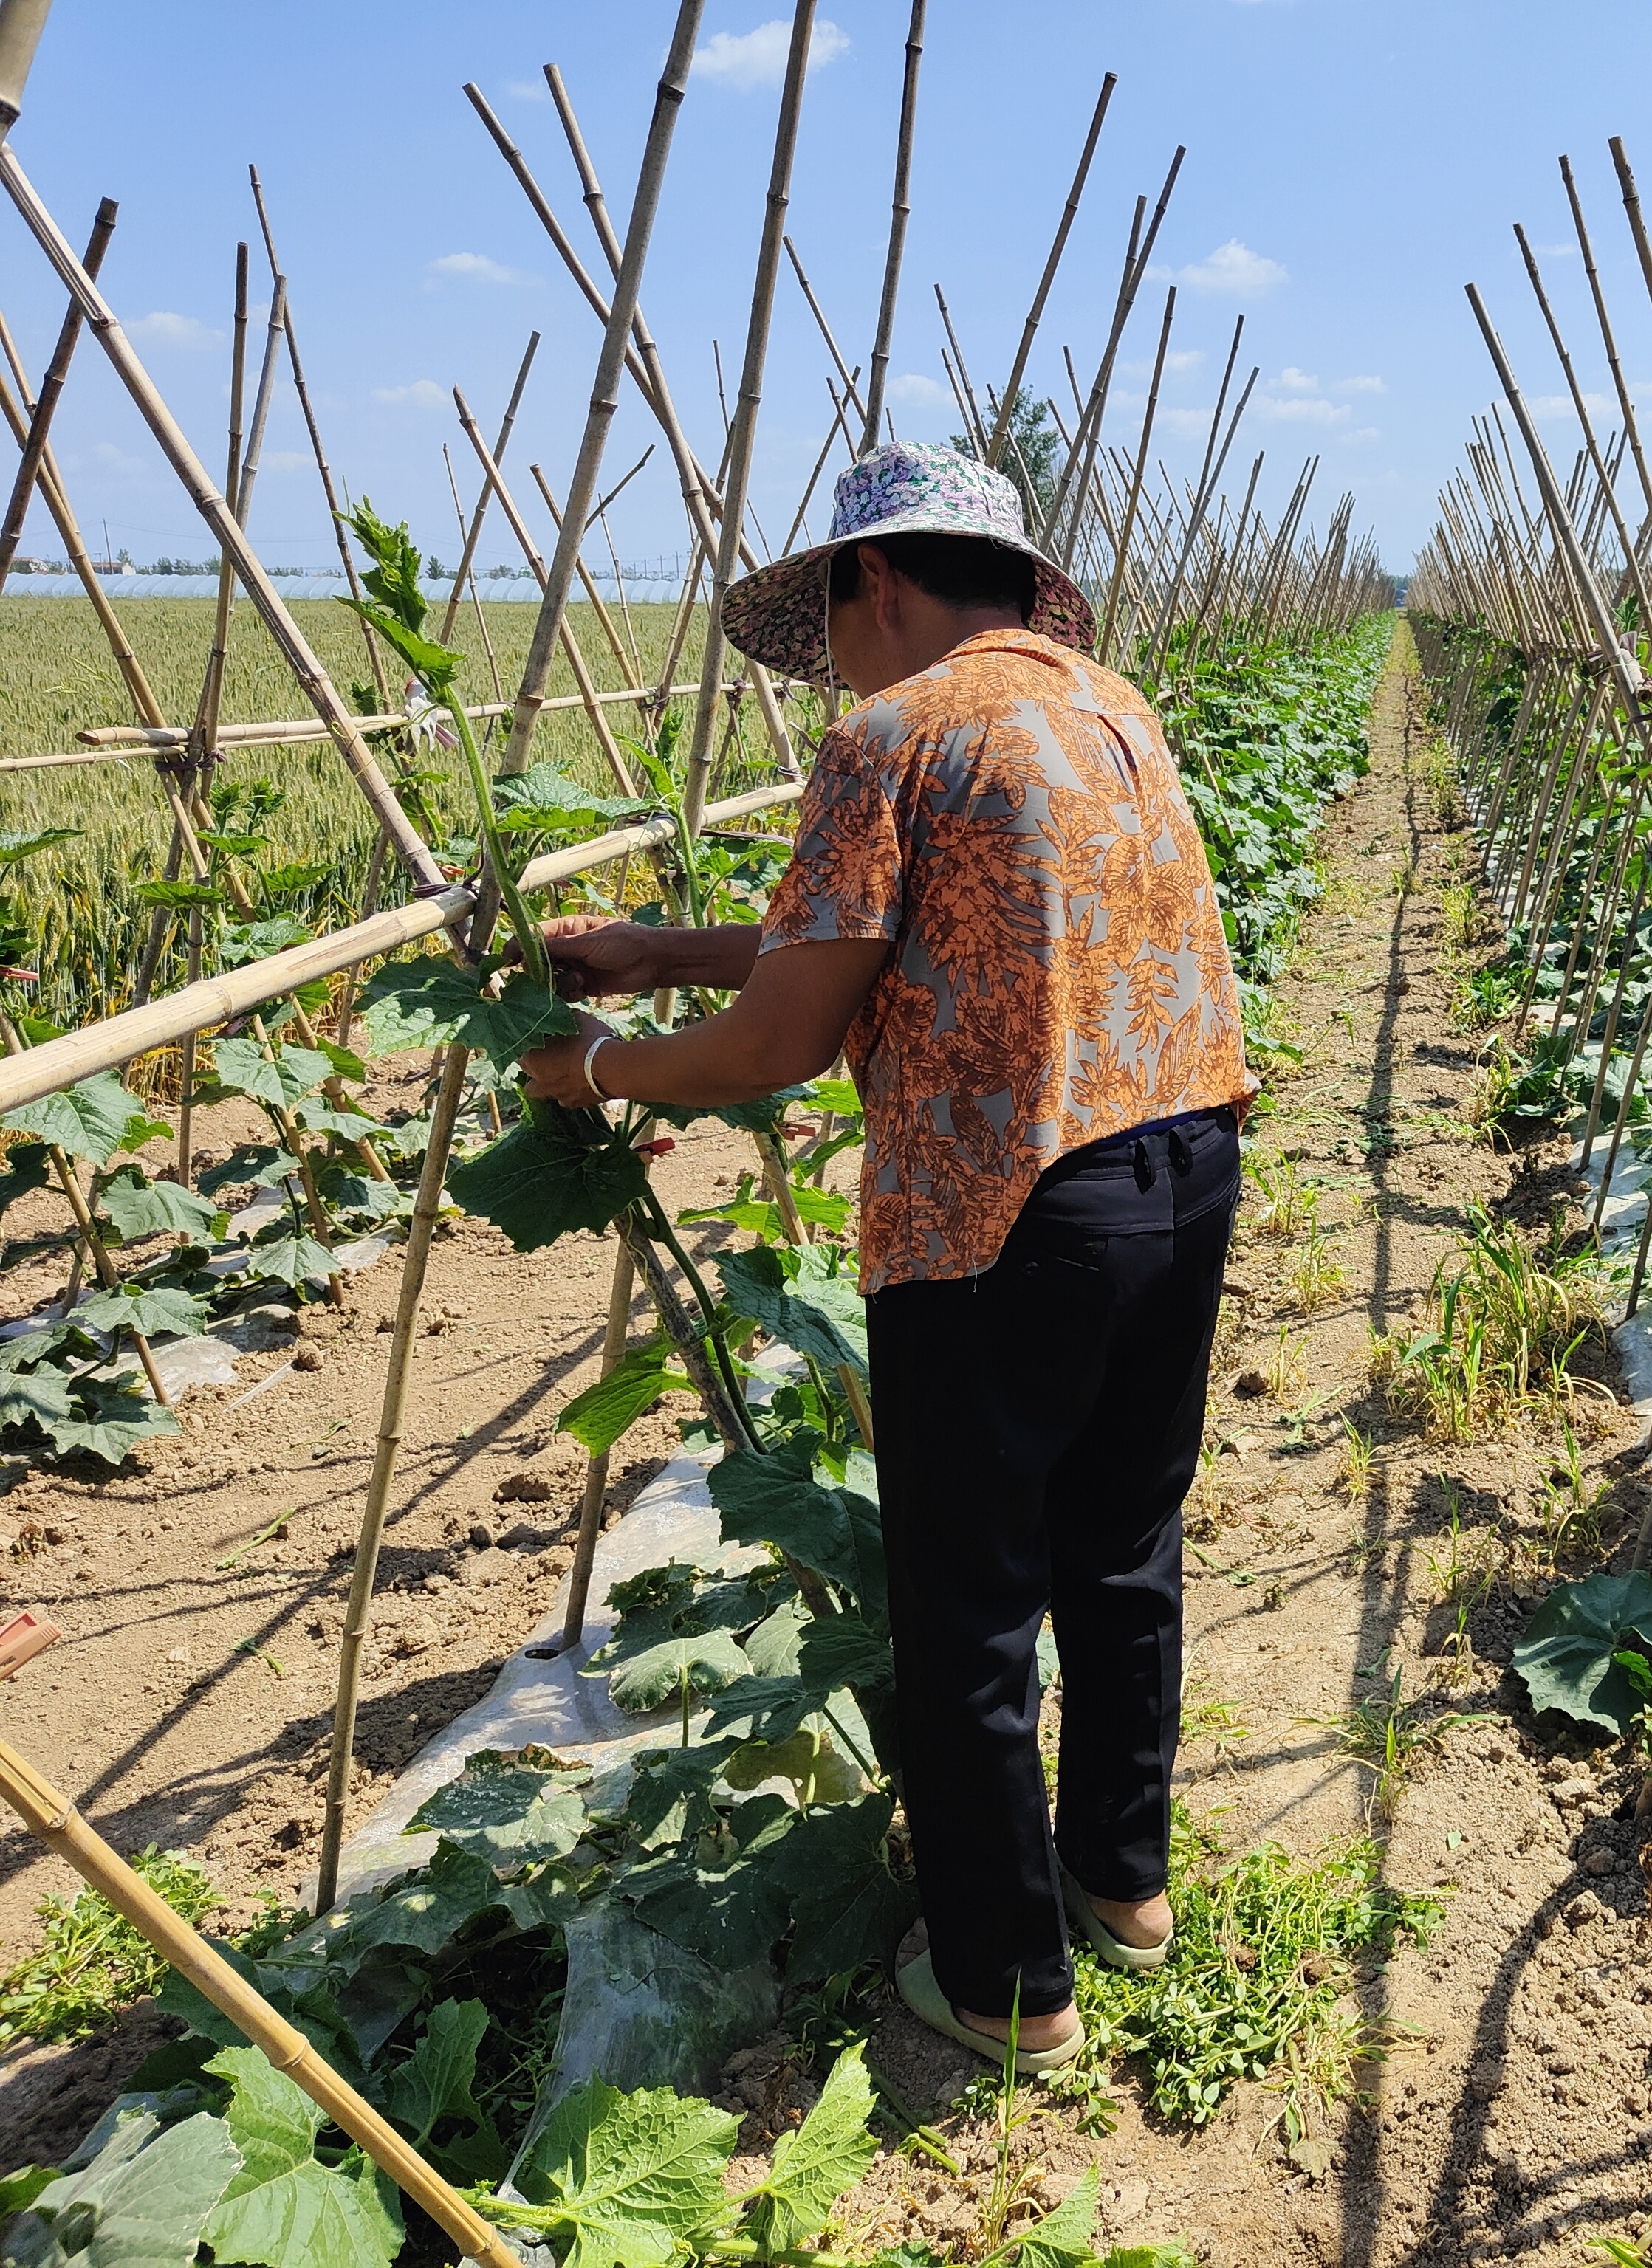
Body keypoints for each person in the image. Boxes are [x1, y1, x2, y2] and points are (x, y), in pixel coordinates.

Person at [517, 443, 1251, 2072]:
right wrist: (668, 949)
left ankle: (1004, 1987)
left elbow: (782, 1043)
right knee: (1120, 1546)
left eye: (831, 620)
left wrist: (597, 1068)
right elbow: (936, 925)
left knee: (968, 1600)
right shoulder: (1104, 707)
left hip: (1005, 1212)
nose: (830, 664)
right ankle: (1122, 1894)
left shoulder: (888, 734)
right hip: (1182, 1166)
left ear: (878, 584)